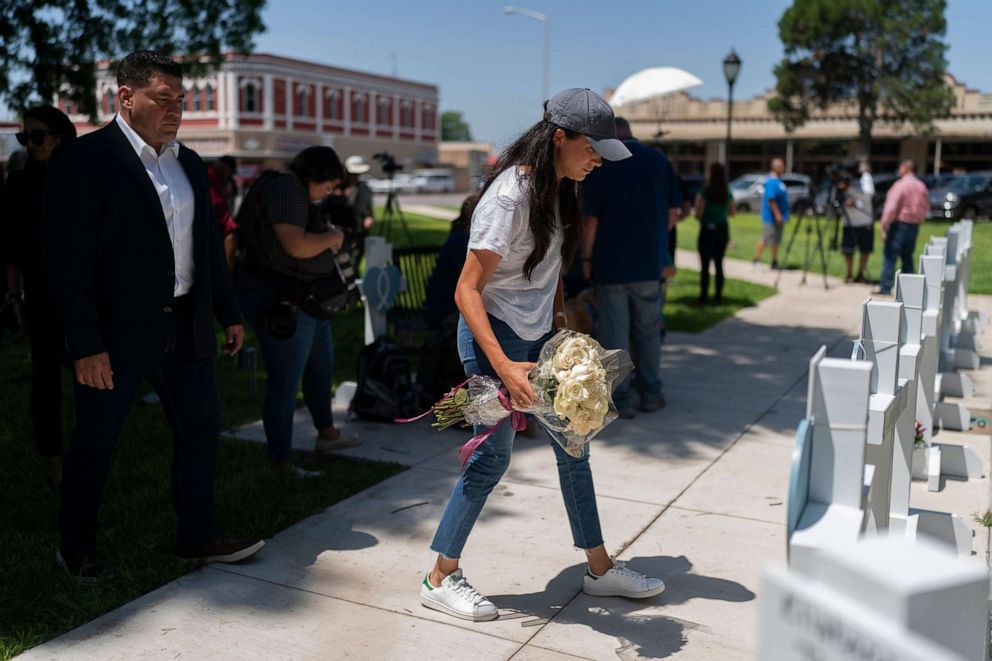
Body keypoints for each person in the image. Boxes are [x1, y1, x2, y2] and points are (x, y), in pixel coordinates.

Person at [420, 89, 665, 623]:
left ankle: (599, 570)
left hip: (534, 339)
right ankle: (439, 577)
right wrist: (504, 367)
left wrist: (559, 331)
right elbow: (467, 291)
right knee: (492, 457)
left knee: (574, 446)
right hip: (491, 342)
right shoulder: (509, 197)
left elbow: (548, 268)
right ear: (561, 137)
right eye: (593, 149)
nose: (599, 159)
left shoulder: (562, 188)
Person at [44, 50, 264, 581]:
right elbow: (67, 265)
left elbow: (206, 244)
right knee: (96, 443)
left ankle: (198, 534)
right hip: (115, 337)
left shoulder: (189, 161)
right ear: (125, 98)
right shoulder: (85, 159)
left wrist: (228, 311)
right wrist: (86, 344)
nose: (177, 110)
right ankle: (75, 545)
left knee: (201, 433)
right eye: (164, 99)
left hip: (186, 326)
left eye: (181, 100)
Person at [238, 146, 361, 477]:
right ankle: (281, 462)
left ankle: (327, 435)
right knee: (284, 383)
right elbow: (296, 245)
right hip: (284, 303)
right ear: (315, 175)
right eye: (328, 185)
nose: (328, 194)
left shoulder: (288, 188)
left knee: (321, 369)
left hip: (305, 301)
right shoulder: (286, 188)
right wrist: (334, 237)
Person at [582, 117, 677, 418]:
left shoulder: (602, 162)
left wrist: (586, 259)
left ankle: (621, 399)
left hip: (610, 264)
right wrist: (657, 239)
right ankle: (651, 393)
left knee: (614, 335)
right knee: (649, 332)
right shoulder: (657, 160)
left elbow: (591, 221)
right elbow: (674, 212)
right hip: (649, 263)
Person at [2, 105, 77, 485]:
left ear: (60, 136)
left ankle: (87, 452)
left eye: (36, 136)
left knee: (92, 378)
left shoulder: (84, 178)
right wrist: (15, 300)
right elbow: (11, 251)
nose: (29, 144)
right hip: (42, 299)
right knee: (45, 380)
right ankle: (52, 458)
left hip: (84, 297)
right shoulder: (18, 184)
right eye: (23, 137)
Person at [877, 160, 929, 295]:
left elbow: (891, 207)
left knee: (890, 255)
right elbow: (926, 206)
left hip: (899, 224)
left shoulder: (900, 185)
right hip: (914, 225)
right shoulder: (921, 185)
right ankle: (910, 290)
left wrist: (883, 224)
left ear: (905, 169)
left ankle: (885, 287)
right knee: (907, 256)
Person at [695, 161, 734, 303]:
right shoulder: (727, 191)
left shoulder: (705, 191)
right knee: (719, 264)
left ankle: (703, 296)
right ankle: (718, 297)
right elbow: (732, 212)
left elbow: (698, 214)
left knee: (705, 266)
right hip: (722, 229)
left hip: (707, 230)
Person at [752, 157, 789, 269]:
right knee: (766, 239)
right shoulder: (771, 182)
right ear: (775, 167)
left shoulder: (779, 181)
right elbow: (771, 199)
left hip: (780, 217)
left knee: (775, 240)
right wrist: (777, 214)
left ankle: (774, 261)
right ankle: (756, 260)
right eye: (781, 166)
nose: (783, 168)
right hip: (771, 217)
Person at [206, 157, 239, 272]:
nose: (229, 177)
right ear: (224, 168)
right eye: (230, 173)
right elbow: (229, 230)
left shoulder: (211, 178)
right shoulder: (211, 181)